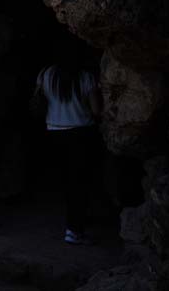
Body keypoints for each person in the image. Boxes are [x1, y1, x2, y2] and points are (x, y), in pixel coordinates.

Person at [35, 60, 103, 245]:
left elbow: (40, 103)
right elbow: (96, 110)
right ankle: (74, 229)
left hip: (55, 133)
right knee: (80, 181)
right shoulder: (86, 77)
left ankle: (74, 222)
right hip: (81, 133)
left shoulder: (45, 74)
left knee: (68, 180)